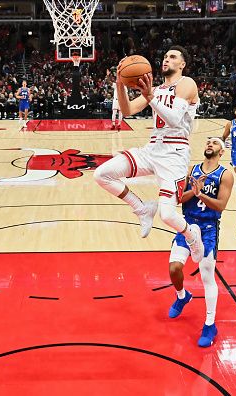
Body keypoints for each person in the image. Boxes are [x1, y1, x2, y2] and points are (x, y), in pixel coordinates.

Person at [94, 46, 205, 263]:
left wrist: (150, 96)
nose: (166, 60)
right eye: (164, 56)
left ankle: (192, 236)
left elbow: (173, 119)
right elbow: (127, 111)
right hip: (152, 148)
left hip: (174, 154)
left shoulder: (187, 83)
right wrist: (119, 84)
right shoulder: (157, 89)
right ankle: (142, 207)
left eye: (172, 57)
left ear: (182, 64)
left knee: (168, 215)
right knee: (102, 174)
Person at [168, 137, 234, 348]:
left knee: (207, 277)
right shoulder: (192, 170)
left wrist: (202, 195)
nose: (209, 144)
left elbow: (221, 206)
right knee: (174, 269)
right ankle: (182, 296)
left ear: (221, 152)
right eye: (208, 142)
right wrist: (193, 192)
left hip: (208, 229)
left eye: (214, 143)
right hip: (187, 225)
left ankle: (210, 324)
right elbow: (180, 199)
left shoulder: (225, 174)